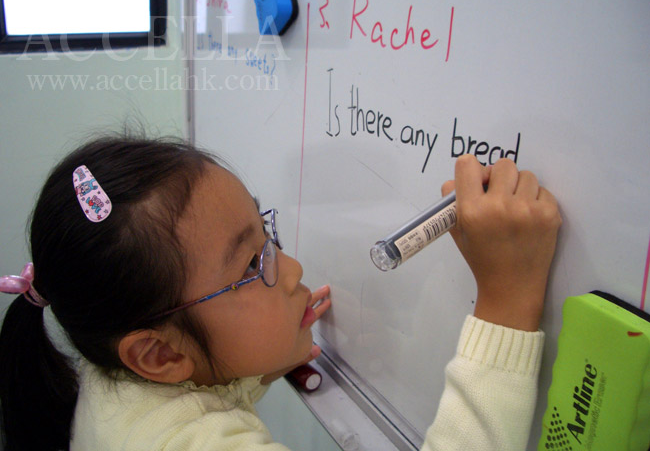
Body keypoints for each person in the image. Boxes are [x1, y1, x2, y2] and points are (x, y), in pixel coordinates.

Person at [0, 135, 560, 451]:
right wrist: (507, 303)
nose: (290, 269)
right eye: (253, 263)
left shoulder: (114, 370)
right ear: (161, 354)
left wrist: (252, 371)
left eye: (267, 236)